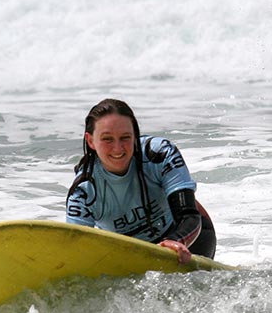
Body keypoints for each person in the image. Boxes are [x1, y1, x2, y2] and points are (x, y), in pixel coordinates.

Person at [66, 98, 216, 263]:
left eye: (125, 137)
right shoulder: (83, 192)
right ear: (91, 141)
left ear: (135, 135)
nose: (118, 148)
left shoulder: (159, 155)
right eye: (107, 139)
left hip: (190, 241)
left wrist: (175, 241)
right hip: (132, 257)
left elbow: (188, 216)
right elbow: (76, 248)